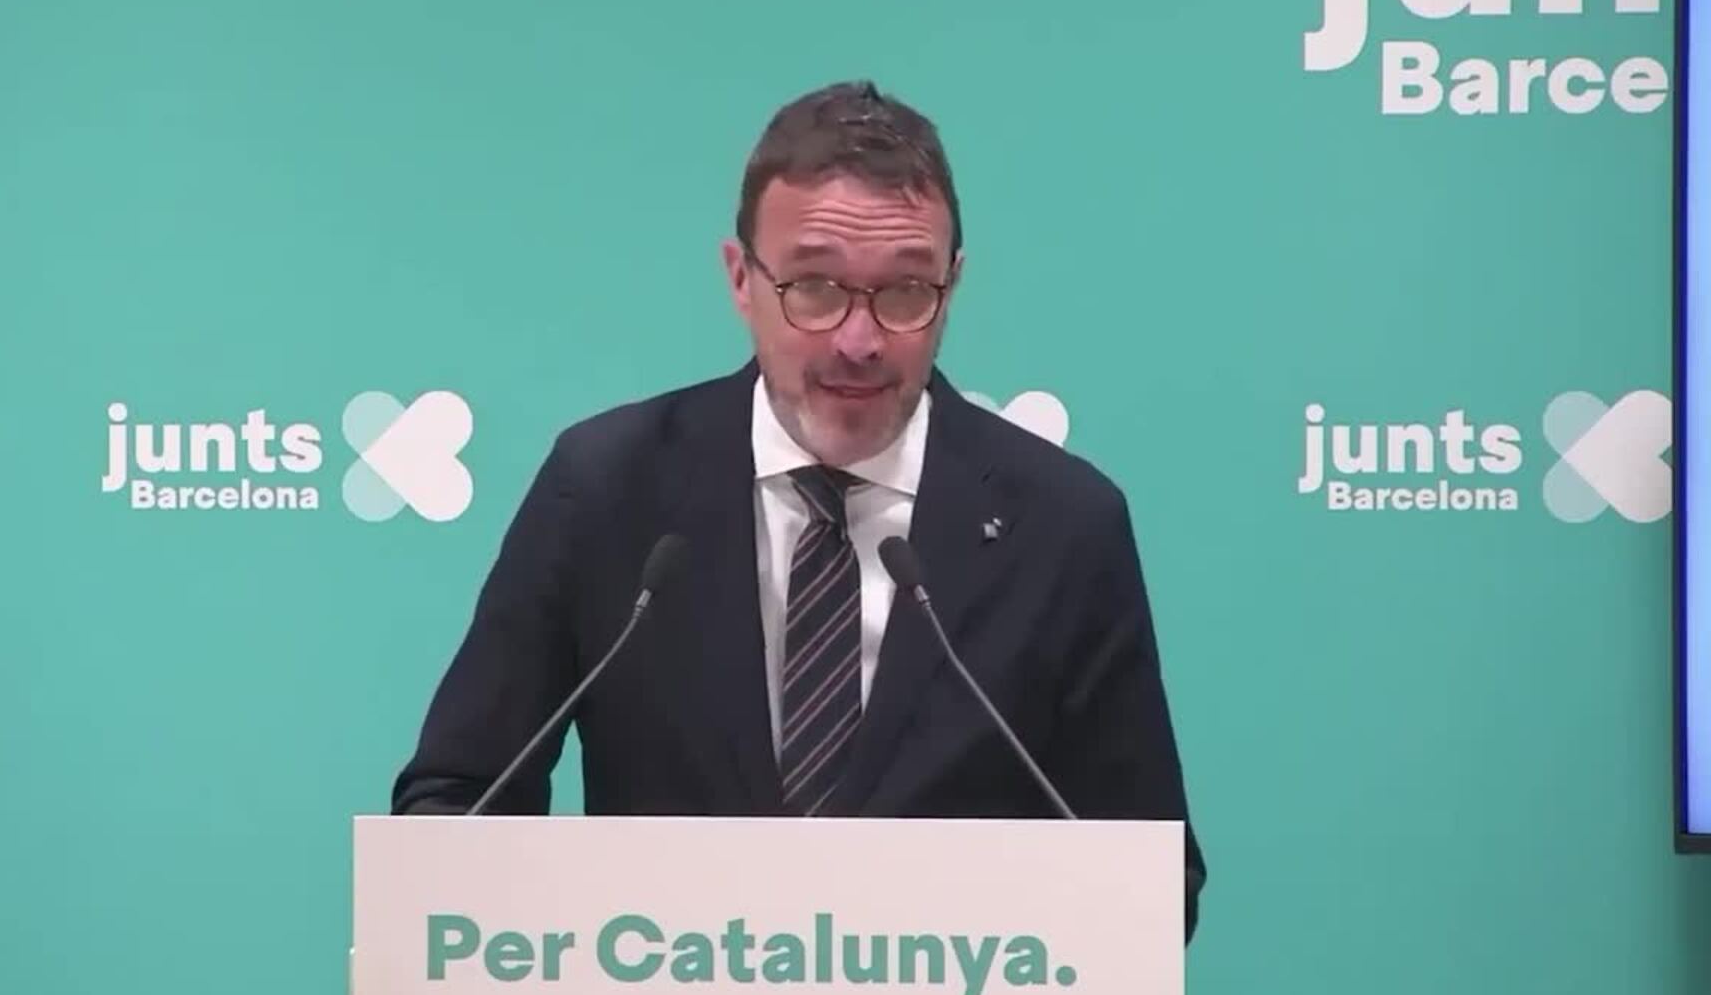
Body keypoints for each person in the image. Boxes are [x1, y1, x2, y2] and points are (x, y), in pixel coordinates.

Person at [390, 79, 1206, 941]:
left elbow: (1151, 880)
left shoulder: (1063, 526)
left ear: (953, 286)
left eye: (906, 292)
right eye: (814, 288)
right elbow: (456, 802)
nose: (860, 340)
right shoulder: (606, 488)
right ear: (742, 279)